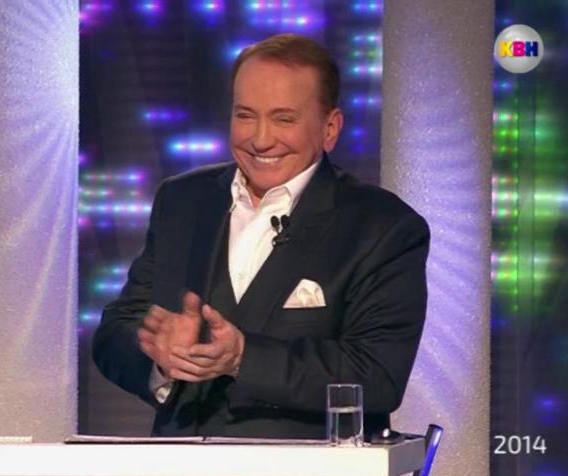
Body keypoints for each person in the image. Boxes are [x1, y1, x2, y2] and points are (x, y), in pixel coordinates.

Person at [92, 33, 430, 439]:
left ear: (330, 128)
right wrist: (159, 357)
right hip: (181, 462)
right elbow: (116, 331)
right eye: (245, 116)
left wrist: (243, 358)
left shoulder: (382, 226)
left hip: (307, 465)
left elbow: (377, 375)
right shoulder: (182, 199)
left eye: (284, 119)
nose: (261, 139)